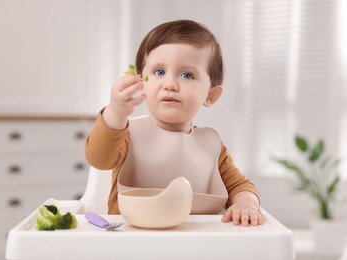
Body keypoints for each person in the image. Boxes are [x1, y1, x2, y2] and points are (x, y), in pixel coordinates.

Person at [85, 19, 264, 226]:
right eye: (159, 72)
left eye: (187, 75)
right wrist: (115, 113)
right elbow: (99, 158)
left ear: (211, 95)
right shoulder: (126, 135)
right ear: (141, 84)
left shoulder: (211, 145)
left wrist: (246, 203)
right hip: (133, 241)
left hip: (195, 244)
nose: (170, 84)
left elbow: (240, 186)